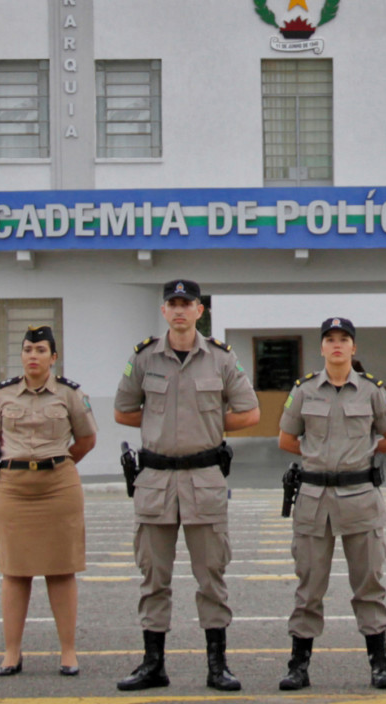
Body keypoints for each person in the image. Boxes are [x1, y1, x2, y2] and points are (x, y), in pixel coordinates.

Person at [114, 279, 261, 692]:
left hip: (204, 478)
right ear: (164, 311)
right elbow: (123, 410)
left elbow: (249, 413)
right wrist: (161, 424)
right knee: (153, 576)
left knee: (211, 576)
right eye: (172, 304)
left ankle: (218, 665)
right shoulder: (143, 358)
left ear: (200, 310)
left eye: (187, 304)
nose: (179, 310)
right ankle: (152, 664)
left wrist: (208, 423)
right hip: (156, 479)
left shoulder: (221, 359)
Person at [277, 317, 386, 691]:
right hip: (314, 499)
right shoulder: (303, 391)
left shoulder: (372, 391)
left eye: (343, 339)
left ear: (353, 347)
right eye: (329, 339)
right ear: (321, 348)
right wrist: (317, 457)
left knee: (369, 585)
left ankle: (379, 663)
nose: (336, 345)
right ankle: (298, 665)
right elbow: (286, 439)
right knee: (309, 587)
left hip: (360, 497)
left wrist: (360, 455)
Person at [0, 325, 97, 677]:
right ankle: (11, 653)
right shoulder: (3, 395)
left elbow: (86, 440)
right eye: (28, 349)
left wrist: (55, 464)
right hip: (14, 488)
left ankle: (68, 652)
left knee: (61, 570)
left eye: (41, 350)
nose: (34, 355)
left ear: (53, 357)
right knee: (15, 572)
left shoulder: (70, 394)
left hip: (58, 487)